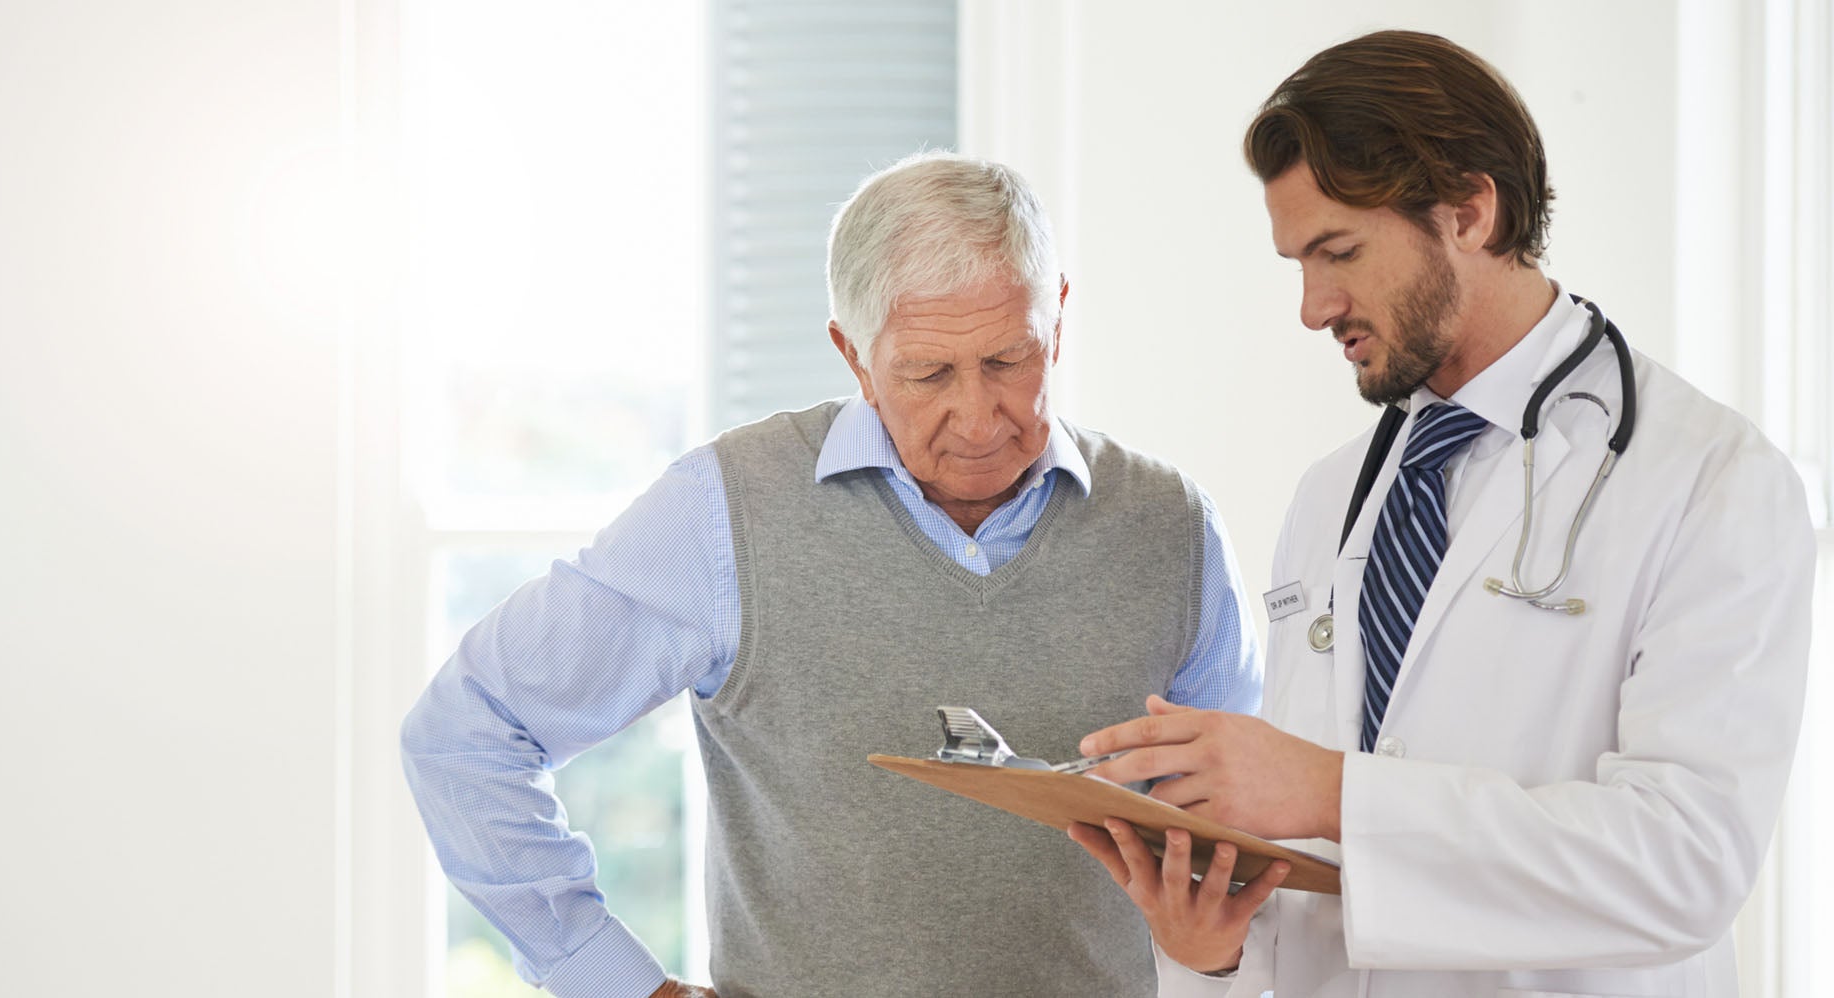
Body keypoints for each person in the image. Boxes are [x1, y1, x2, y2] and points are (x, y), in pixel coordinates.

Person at [401, 150, 1264, 998]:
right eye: (928, 373)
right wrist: (615, 983)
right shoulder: (724, 511)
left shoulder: (1172, 528)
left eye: (1009, 359)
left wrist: (1223, 956)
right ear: (853, 355)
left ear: (1060, 317)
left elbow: (1241, 848)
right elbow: (466, 733)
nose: (976, 417)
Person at [1067, 30, 1813, 998]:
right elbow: (1316, 881)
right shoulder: (1332, 494)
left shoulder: (1710, 479)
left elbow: (1684, 864)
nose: (1309, 305)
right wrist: (1209, 946)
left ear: (1467, 211)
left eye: (1336, 251)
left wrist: (1331, 791)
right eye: (1296, 260)